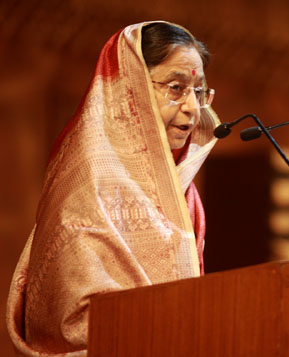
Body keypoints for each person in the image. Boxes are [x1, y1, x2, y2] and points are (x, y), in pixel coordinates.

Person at [6, 21, 219, 356]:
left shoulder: (183, 189)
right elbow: (72, 322)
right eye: (176, 88)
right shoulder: (91, 181)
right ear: (130, 88)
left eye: (199, 91)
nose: (193, 108)